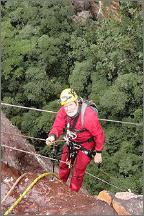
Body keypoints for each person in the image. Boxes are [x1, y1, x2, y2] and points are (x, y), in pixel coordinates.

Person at [46, 88, 105, 192]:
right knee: (64, 164)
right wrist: (52, 136)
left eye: (71, 105)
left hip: (86, 144)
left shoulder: (88, 116)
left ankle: (73, 192)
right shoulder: (63, 111)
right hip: (71, 141)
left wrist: (98, 152)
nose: (68, 109)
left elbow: (99, 135)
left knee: (78, 171)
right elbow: (58, 125)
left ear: (77, 102)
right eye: (66, 106)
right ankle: (61, 185)